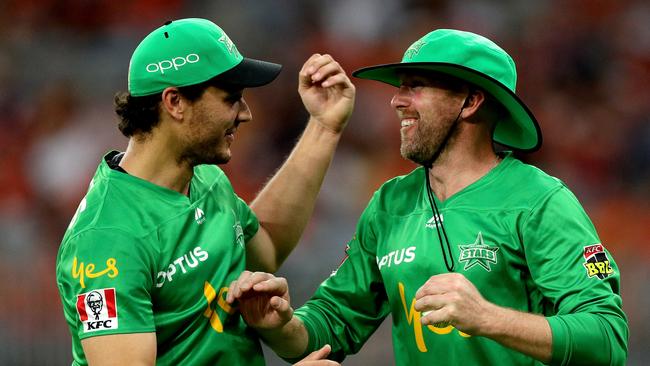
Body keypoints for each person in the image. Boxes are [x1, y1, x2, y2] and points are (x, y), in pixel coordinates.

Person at [227, 29, 629, 365]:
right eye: (400, 88)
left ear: (470, 102)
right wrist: (282, 325)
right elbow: (333, 326)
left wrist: (486, 317)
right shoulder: (390, 203)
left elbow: (607, 338)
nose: (396, 100)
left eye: (416, 87)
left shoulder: (540, 201)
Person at [55, 18, 354, 365]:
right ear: (175, 102)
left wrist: (324, 128)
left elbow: (265, 249)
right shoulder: (108, 238)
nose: (246, 114)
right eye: (231, 98)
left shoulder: (207, 179)